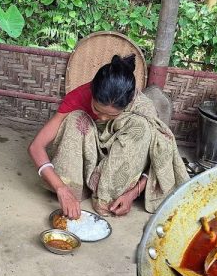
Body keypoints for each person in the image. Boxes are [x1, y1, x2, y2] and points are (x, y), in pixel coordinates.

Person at [28, 54, 189, 219]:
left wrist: (133, 194)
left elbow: (157, 158)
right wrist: (61, 188)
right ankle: (75, 188)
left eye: (111, 115)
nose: (103, 118)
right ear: (92, 92)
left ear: (128, 103)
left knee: (142, 128)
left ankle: (107, 195)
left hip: (116, 167)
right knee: (75, 118)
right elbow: (36, 146)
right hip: (88, 160)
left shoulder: (143, 107)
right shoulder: (78, 97)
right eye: (97, 110)